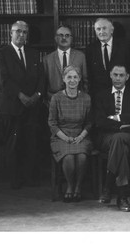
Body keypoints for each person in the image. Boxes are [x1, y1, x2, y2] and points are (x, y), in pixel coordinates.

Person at [0, 20, 45, 189]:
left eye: (24, 32)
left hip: (32, 107)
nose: (21, 35)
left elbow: (41, 78)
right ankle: (15, 181)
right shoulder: (2, 53)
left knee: (31, 143)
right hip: (12, 107)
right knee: (13, 145)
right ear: (10, 33)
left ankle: (29, 179)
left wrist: (37, 95)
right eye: (18, 31)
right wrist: (21, 95)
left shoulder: (33, 53)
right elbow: (4, 80)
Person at [93, 65, 130, 212]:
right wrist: (121, 126)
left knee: (119, 140)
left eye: (121, 75)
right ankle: (122, 196)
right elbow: (99, 121)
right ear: (110, 75)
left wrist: (117, 118)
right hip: (107, 137)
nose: (118, 78)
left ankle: (108, 185)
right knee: (118, 142)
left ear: (127, 76)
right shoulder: (101, 95)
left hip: (129, 137)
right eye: (115, 75)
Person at [48, 65, 92, 202]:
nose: (72, 80)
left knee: (81, 157)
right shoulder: (56, 98)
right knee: (68, 158)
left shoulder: (86, 98)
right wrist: (65, 138)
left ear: (79, 79)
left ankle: (78, 187)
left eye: (75, 77)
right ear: (64, 79)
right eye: (69, 77)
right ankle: (70, 186)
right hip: (61, 136)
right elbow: (52, 123)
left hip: (80, 135)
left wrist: (81, 136)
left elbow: (89, 122)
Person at [85, 18, 130, 95]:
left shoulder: (125, 46)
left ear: (112, 30)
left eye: (104, 28)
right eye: (98, 29)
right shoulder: (90, 49)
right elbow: (90, 75)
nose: (101, 32)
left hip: (122, 93)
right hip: (99, 95)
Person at [43, 25, 89, 101]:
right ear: (56, 38)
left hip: (76, 100)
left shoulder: (80, 56)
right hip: (53, 100)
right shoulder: (47, 59)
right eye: (61, 35)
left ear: (71, 39)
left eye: (67, 35)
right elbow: (44, 84)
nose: (64, 38)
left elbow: (85, 81)